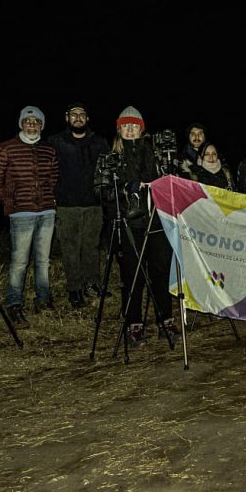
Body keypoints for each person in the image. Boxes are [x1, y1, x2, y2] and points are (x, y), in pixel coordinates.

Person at [94, 106, 178, 345]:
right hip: (128, 224)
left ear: (142, 129)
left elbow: (174, 180)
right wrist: (123, 188)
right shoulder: (109, 157)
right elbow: (99, 190)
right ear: (119, 129)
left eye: (135, 126)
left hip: (157, 220)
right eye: (126, 126)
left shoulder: (157, 153)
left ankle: (166, 320)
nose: (130, 130)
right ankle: (134, 324)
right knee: (133, 275)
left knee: (161, 272)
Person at [0, 106, 60, 327]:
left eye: (36, 121)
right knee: (19, 262)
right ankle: (14, 303)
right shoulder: (5, 148)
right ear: (21, 123)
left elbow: (54, 178)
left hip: (47, 212)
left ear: (41, 125)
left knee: (43, 260)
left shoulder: (49, 150)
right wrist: (11, 202)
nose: (32, 124)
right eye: (27, 120)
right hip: (21, 214)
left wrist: (49, 200)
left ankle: (43, 298)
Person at [45, 102, 110, 309]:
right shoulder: (55, 142)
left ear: (87, 118)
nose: (78, 117)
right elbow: (46, 172)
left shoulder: (99, 142)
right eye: (74, 114)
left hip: (93, 204)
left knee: (92, 246)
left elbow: (108, 171)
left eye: (82, 114)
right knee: (70, 248)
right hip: (66, 205)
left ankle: (92, 284)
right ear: (67, 118)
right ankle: (74, 289)